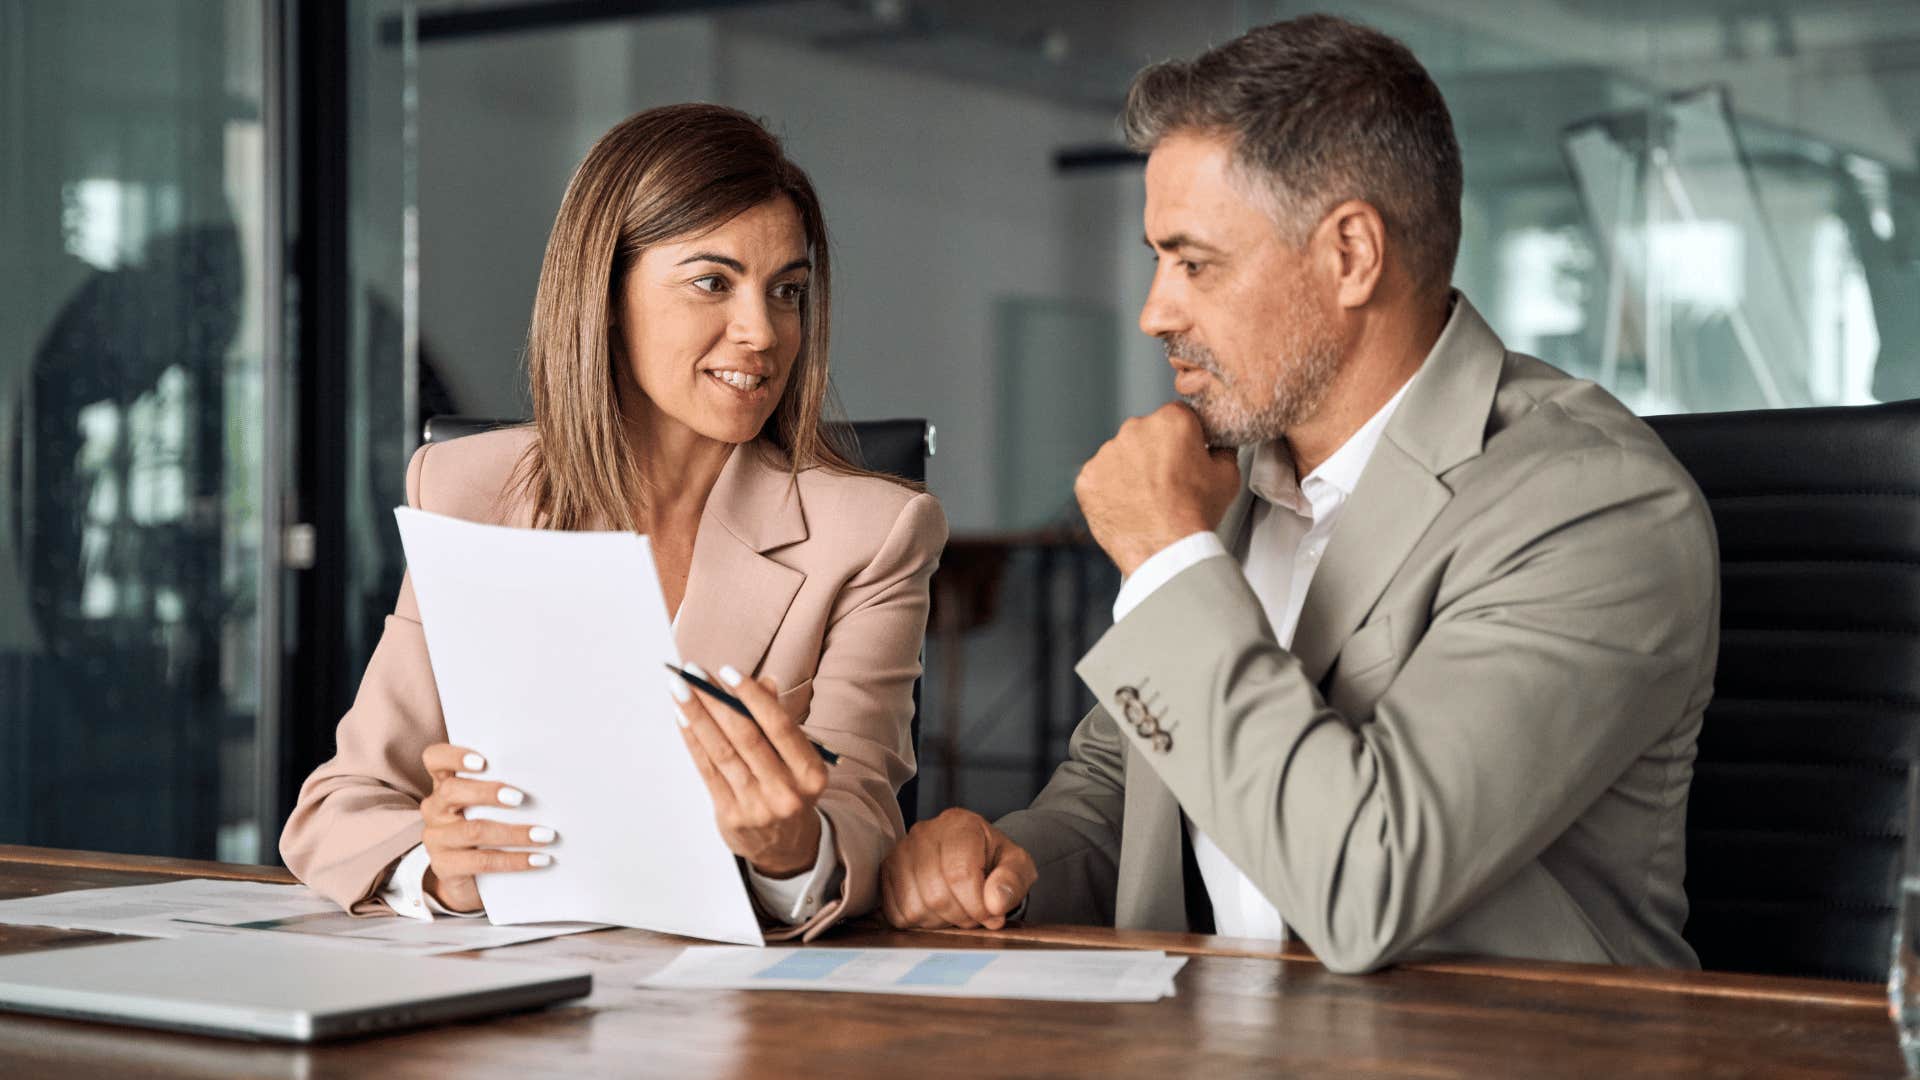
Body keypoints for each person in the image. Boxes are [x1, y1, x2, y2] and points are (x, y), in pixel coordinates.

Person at [880, 15, 1718, 974]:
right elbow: (1127, 783)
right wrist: (1015, 864)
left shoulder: (1592, 507)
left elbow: (1369, 880)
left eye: (1195, 262)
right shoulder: (1234, 476)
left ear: (1351, 255)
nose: (1156, 311)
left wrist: (1166, 558)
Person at [282, 104, 946, 941]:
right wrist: (442, 869)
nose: (763, 333)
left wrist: (789, 849)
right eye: (713, 281)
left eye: (788, 292)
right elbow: (338, 809)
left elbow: (864, 822)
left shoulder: (874, 534)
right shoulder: (467, 491)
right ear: (605, 292)